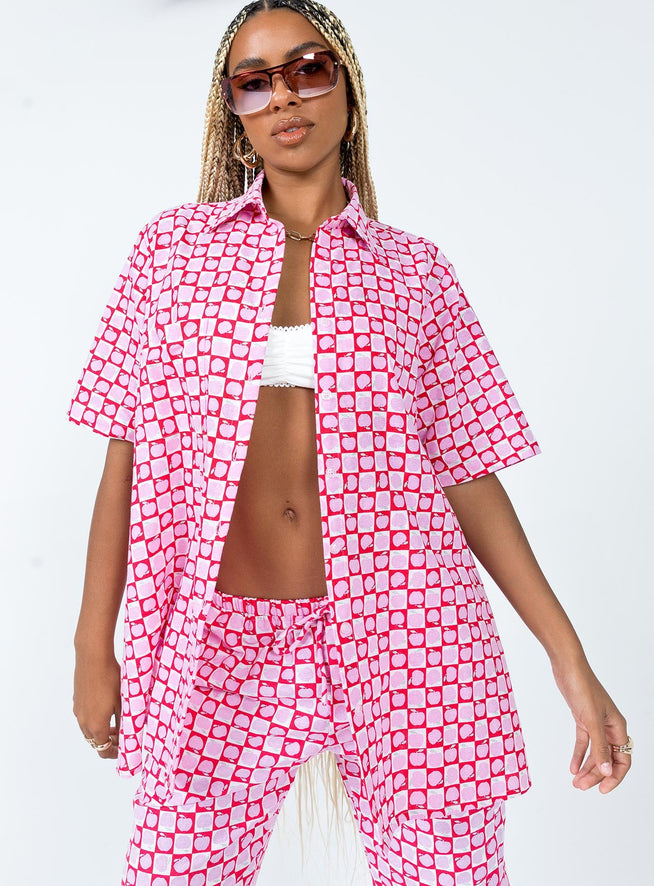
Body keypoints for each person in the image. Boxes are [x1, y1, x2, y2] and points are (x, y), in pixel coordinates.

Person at [69, 1, 633, 884]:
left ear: (348, 88)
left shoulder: (415, 271)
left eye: (308, 68)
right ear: (234, 112)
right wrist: (90, 648)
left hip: (409, 631)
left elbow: (468, 476)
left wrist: (571, 660)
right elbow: (125, 460)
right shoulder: (170, 254)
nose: (284, 96)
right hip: (220, 641)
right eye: (255, 82)